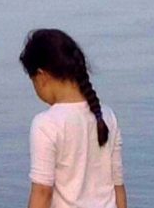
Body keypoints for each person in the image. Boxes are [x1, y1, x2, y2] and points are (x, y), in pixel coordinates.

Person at [19, 29, 127, 208]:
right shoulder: (107, 116)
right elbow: (118, 188)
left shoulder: (46, 124)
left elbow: (42, 193)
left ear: (41, 76)